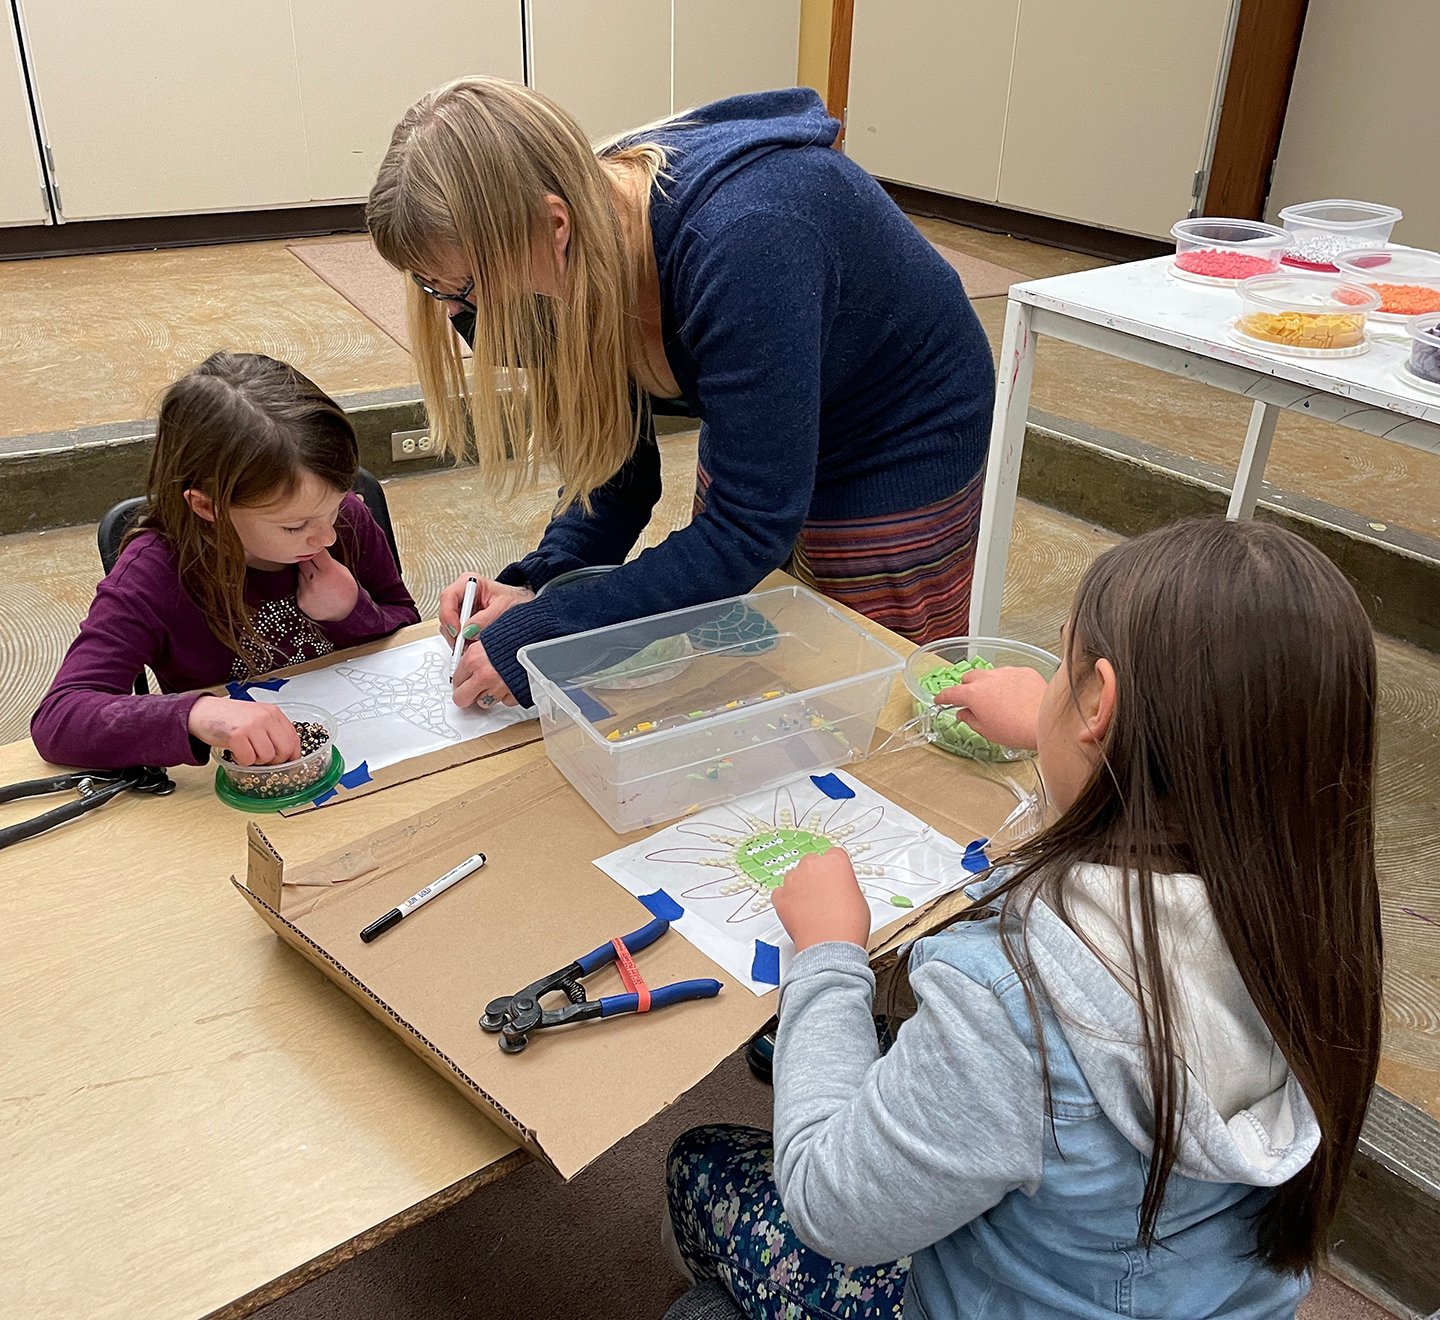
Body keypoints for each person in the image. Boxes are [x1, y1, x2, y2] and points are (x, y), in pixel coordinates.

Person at [664, 518, 1383, 1319]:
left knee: (699, 1166)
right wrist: (1058, 734)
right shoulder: (1320, 922)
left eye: (1061, 668)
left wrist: (828, 955)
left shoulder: (1014, 1009)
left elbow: (827, 1204)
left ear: (1099, 705)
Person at [366, 78, 996, 710]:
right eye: (433, 289)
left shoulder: (745, 242)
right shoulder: (573, 246)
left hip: (897, 424)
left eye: (468, 288)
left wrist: (559, 632)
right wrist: (542, 586)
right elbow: (616, 473)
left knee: (873, 687)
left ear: (554, 225)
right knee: (749, 648)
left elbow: (748, 526)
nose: (463, 314)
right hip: (779, 398)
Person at [32, 352, 419, 770]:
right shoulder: (152, 574)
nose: (326, 536)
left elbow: (408, 630)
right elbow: (59, 718)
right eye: (294, 526)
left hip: (369, 746)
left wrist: (349, 611)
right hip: (245, 779)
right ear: (207, 506)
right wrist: (199, 714)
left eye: (334, 506)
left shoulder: (346, 519)